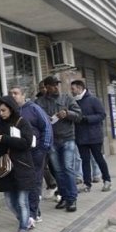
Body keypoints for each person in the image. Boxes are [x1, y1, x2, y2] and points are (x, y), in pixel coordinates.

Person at [0, 96, 35, 232]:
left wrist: (3, 138)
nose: (1, 113)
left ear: (11, 108)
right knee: (10, 202)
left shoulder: (22, 122)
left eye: (3, 110)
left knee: (21, 201)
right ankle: (26, 220)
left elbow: (26, 143)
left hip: (22, 166)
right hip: (6, 169)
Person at [35, 76, 81, 212]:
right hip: (51, 140)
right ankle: (64, 197)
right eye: (53, 85)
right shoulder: (39, 102)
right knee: (59, 172)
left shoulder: (67, 98)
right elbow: (34, 120)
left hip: (67, 138)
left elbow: (79, 116)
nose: (56, 87)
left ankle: (72, 199)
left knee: (67, 168)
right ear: (46, 87)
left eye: (57, 85)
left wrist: (67, 113)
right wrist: (44, 120)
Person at [9, 86, 52, 225]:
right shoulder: (10, 112)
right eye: (11, 94)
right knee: (23, 183)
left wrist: (43, 148)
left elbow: (46, 127)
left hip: (35, 152)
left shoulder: (34, 109)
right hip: (19, 154)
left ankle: (32, 214)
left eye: (16, 93)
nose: (13, 96)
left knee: (34, 182)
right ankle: (32, 212)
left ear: (23, 95)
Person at [71, 80, 112, 192]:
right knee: (85, 160)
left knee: (99, 158)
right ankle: (87, 184)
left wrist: (87, 119)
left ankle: (107, 180)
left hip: (94, 136)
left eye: (73, 89)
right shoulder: (74, 102)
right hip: (81, 137)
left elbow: (102, 114)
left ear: (80, 88)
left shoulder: (93, 100)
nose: (72, 91)